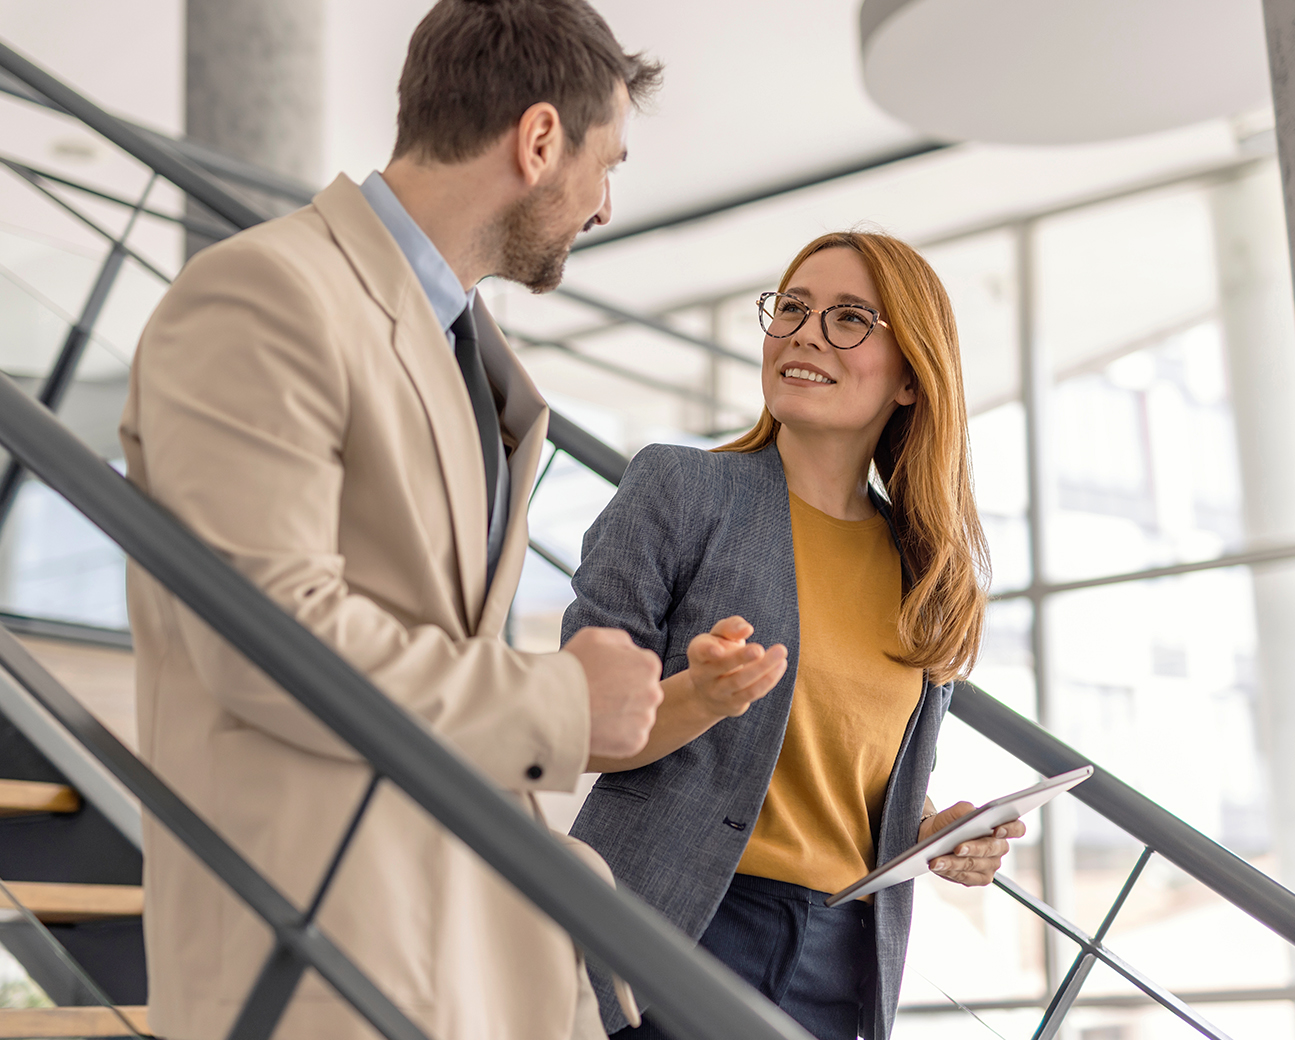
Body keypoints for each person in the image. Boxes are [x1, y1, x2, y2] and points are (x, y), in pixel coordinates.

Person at [119, 3, 663, 1039]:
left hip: (444, 935)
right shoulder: (260, 294)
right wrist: (557, 701)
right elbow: (268, 637)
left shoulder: (467, 347)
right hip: (322, 950)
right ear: (538, 139)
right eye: (608, 163)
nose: (603, 206)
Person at [564, 230, 1027, 1040]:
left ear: (912, 379)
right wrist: (695, 699)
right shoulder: (681, 490)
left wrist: (929, 834)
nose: (805, 333)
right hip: (678, 925)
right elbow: (574, 730)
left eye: (850, 318)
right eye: (794, 309)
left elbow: (843, 786)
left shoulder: (927, 573)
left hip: (843, 958)